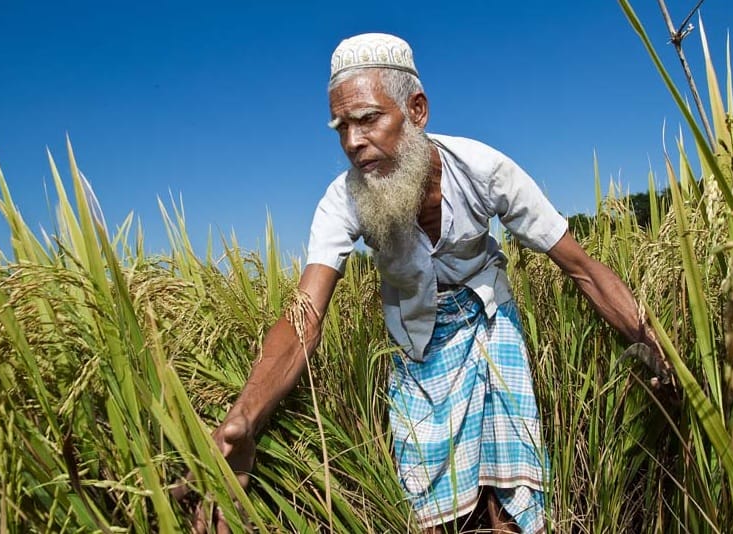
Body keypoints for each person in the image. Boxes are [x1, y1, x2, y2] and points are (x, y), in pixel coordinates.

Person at [185, 32, 669, 533]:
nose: (353, 142)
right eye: (341, 127)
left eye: (369, 119)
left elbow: (582, 267)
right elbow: (303, 317)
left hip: (488, 324)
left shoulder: (484, 170)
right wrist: (245, 416)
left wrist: (651, 341)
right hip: (416, 347)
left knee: (508, 508)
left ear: (416, 110)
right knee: (432, 514)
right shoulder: (343, 200)